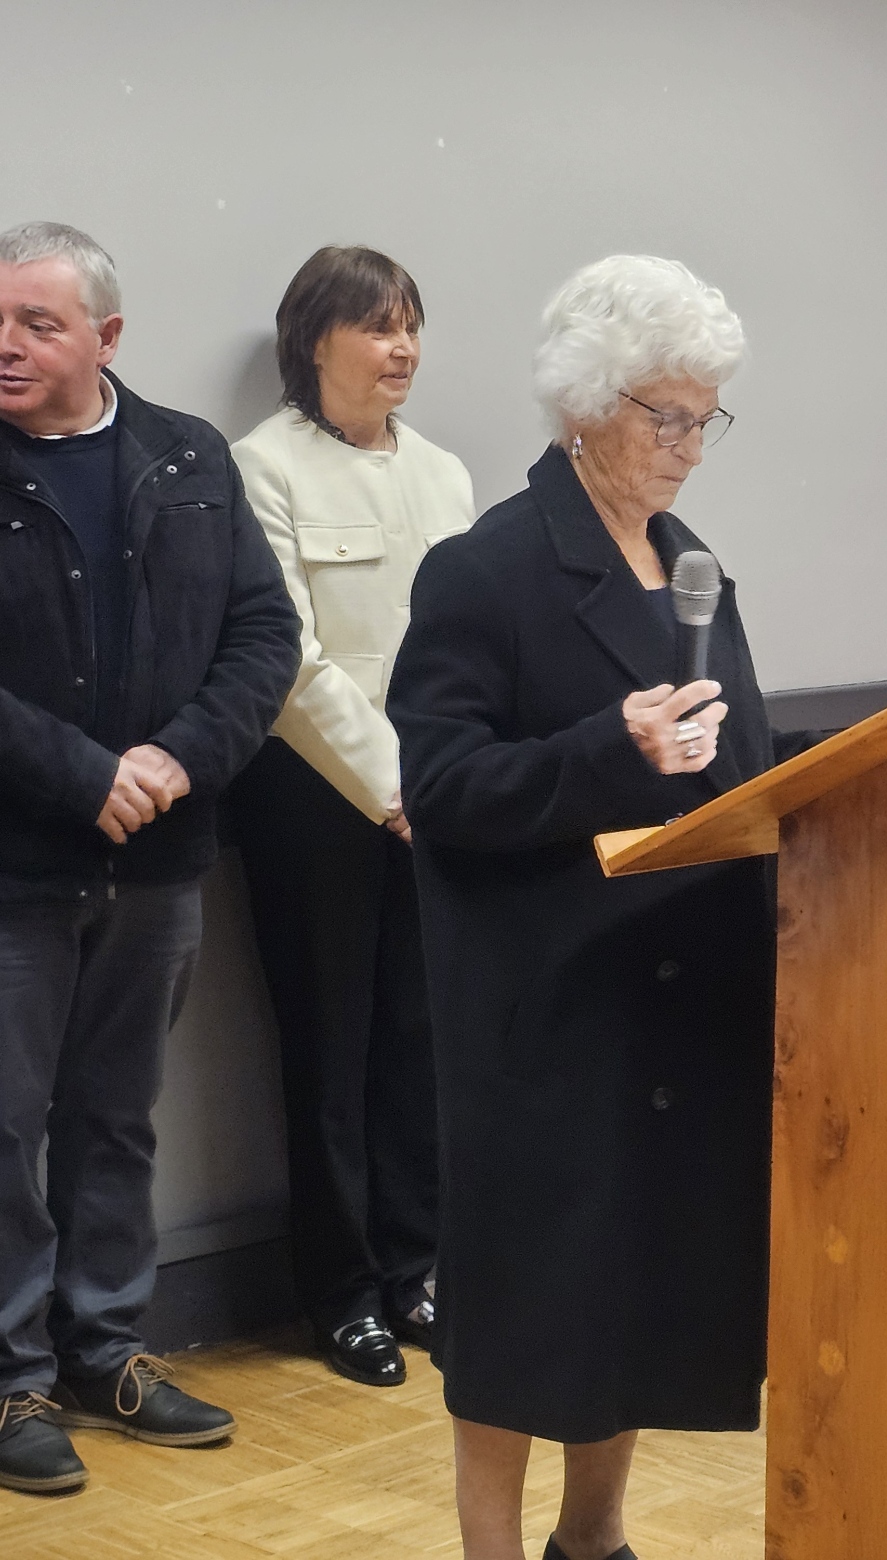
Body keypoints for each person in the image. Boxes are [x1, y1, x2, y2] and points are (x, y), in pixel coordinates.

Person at [389, 255, 798, 1560]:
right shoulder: (486, 570)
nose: (685, 447)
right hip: (543, 1001)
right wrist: (603, 757)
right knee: (527, 1309)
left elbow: (741, 762)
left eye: (701, 417)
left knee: (632, 1289)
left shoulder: (690, 569)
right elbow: (442, 784)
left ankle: (595, 1538)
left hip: (678, 993)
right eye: (660, 416)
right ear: (582, 405)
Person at [0, 222, 300, 1494]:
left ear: (107, 339)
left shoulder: (189, 456)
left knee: (118, 1121)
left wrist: (175, 759)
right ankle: (9, 1383)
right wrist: (87, 775)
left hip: (160, 860)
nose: (5, 345)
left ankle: (104, 1348)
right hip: (16, 863)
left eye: (37, 324)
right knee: (3, 1129)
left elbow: (263, 635)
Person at [227, 247, 476, 1388]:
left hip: (434, 799)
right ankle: (342, 1296)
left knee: (420, 1046)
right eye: (378, 326)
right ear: (313, 340)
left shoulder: (445, 474)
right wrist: (393, 786)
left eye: (411, 325)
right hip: (318, 803)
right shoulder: (260, 469)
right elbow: (290, 661)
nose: (403, 348)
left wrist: (447, 782)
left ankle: (415, 1268)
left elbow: (465, 647)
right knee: (329, 1050)